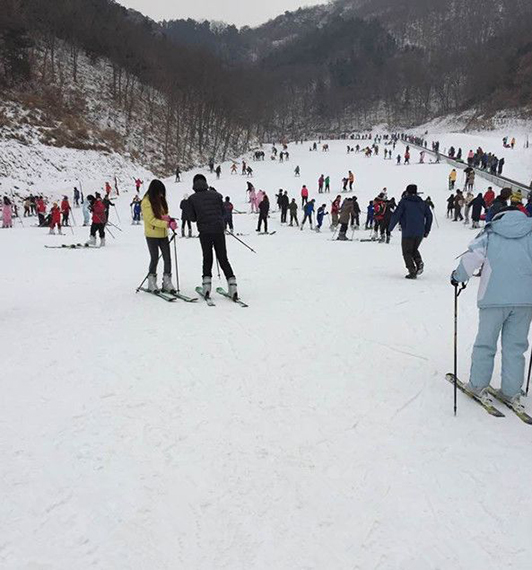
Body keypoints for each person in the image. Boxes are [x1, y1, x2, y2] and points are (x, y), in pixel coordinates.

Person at [451, 207, 532, 412]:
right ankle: (511, 390)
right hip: (525, 300)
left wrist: (457, 276)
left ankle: (478, 385)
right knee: (516, 346)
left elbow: (472, 258)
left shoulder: (491, 232)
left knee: (486, 343)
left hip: (493, 298)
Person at [188, 174, 238, 300]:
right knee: (223, 258)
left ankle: (206, 288)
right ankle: (233, 287)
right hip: (218, 230)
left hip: (204, 232)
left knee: (207, 258)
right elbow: (223, 212)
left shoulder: (192, 199)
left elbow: (193, 218)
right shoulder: (216, 195)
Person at [389, 184, 433, 279]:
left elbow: (397, 214)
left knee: (407, 251)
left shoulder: (404, 202)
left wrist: (390, 227)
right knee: (413, 249)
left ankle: (412, 270)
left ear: (407, 191)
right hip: (420, 231)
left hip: (408, 231)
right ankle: (418, 262)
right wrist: (427, 229)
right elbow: (429, 216)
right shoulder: (422, 203)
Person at [141, 180, 177, 293]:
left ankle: (167, 282)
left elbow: (162, 215)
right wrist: (167, 224)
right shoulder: (146, 202)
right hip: (152, 235)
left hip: (163, 234)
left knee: (167, 258)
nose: (161, 195)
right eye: (159, 192)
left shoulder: (160, 200)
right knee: (155, 257)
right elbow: (151, 220)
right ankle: (151, 281)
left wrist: (169, 219)